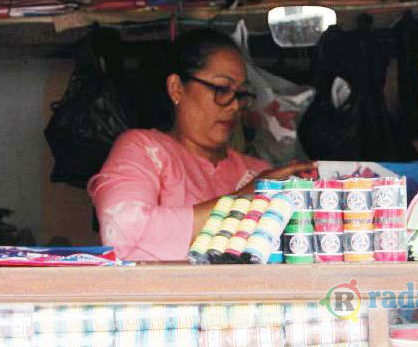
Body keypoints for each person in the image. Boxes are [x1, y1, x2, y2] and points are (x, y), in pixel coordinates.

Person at [88, 28, 315, 261]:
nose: (234, 106)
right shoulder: (143, 149)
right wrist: (244, 198)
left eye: (241, 94)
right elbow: (123, 237)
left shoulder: (256, 173)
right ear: (176, 88)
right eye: (222, 89)